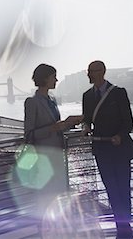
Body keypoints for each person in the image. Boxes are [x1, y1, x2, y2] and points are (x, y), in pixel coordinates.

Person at [82, 60, 133, 239]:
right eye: (88, 71)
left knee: (123, 186)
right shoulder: (87, 96)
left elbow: (128, 121)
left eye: (93, 71)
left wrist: (120, 135)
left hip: (119, 147)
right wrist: (86, 127)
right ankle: (120, 224)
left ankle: (125, 225)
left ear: (102, 72)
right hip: (101, 148)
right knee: (111, 188)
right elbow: (87, 119)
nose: (89, 74)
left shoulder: (118, 93)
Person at [23, 64, 83, 225]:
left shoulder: (52, 100)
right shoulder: (32, 102)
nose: (56, 79)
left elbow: (57, 127)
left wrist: (70, 123)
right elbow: (29, 134)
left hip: (58, 156)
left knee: (59, 196)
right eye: (53, 76)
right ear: (44, 78)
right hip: (43, 159)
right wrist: (54, 127)